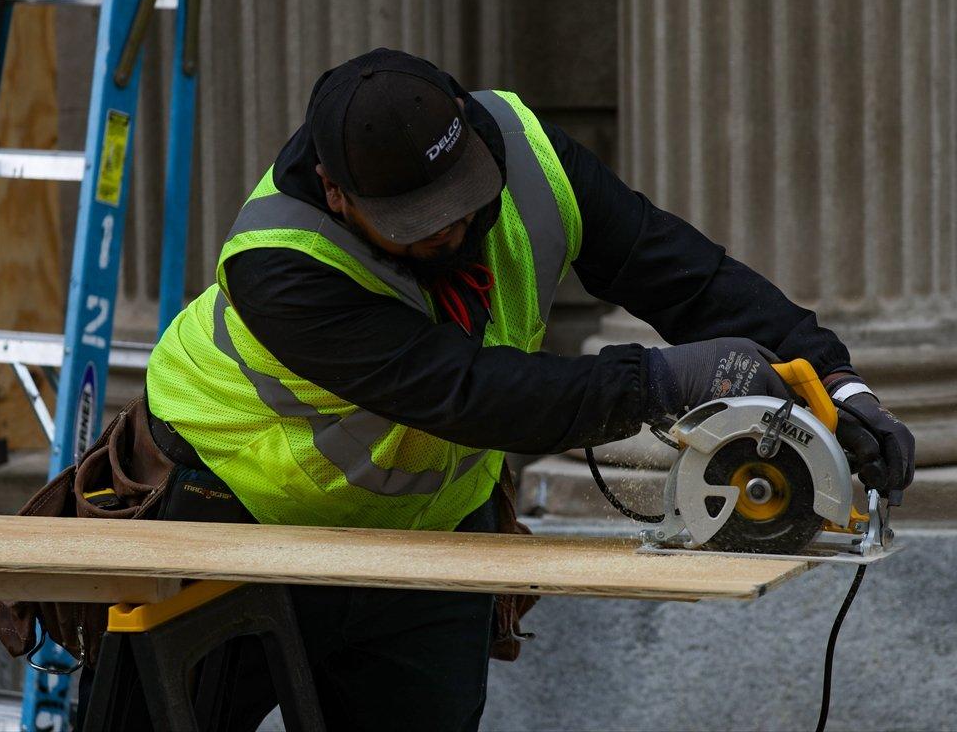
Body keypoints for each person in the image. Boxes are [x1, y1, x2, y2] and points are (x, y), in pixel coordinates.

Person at [134, 48, 915, 730]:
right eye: (416, 222)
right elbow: (468, 393)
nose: (449, 230)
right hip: (229, 515)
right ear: (337, 195)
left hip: (430, 534)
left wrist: (834, 384)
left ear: (474, 133)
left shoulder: (527, 150)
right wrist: (660, 380)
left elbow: (679, 271)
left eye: (462, 200)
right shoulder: (278, 263)